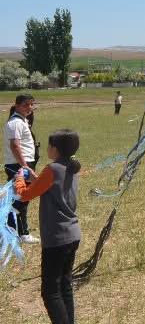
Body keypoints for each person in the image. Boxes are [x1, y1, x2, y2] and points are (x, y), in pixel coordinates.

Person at [14, 129, 82, 324]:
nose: (47, 149)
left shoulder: (52, 169)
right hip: (72, 234)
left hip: (57, 238)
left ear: (56, 149)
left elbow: (25, 195)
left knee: (50, 291)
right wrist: (35, 178)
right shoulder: (71, 167)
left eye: (49, 145)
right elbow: (51, 187)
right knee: (65, 286)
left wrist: (20, 177)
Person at [5, 94, 38, 244]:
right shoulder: (15, 123)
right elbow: (15, 146)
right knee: (20, 200)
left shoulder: (22, 121)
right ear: (17, 105)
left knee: (21, 199)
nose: (29, 107)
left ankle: (20, 232)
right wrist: (25, 167)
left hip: (23, 164)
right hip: (19, 165)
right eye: (26, 104)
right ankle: (18, 233)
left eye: (31, 104)